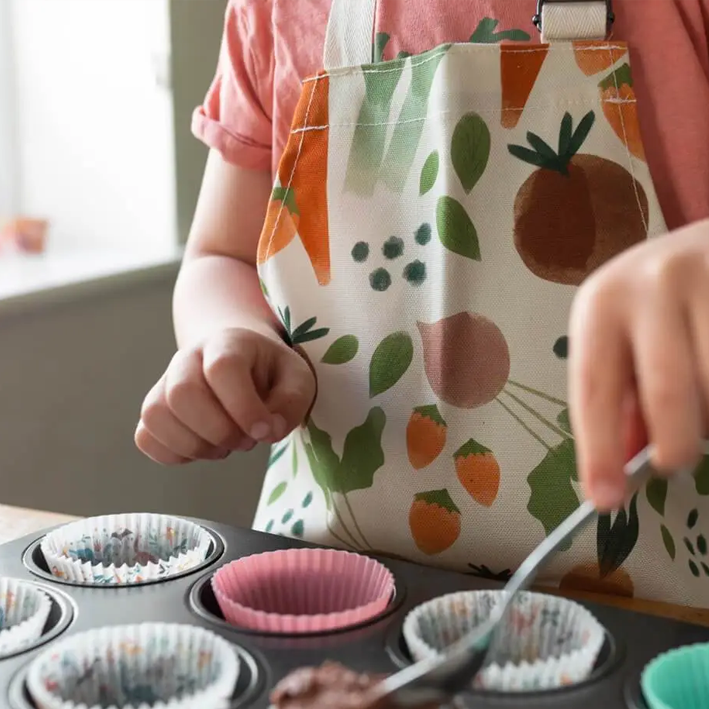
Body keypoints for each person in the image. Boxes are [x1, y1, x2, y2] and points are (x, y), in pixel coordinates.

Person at [135, 0, 709, 606]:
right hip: (339, 592)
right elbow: (222, 256)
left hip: (664, 613)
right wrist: (226, 335)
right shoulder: (275, 11)